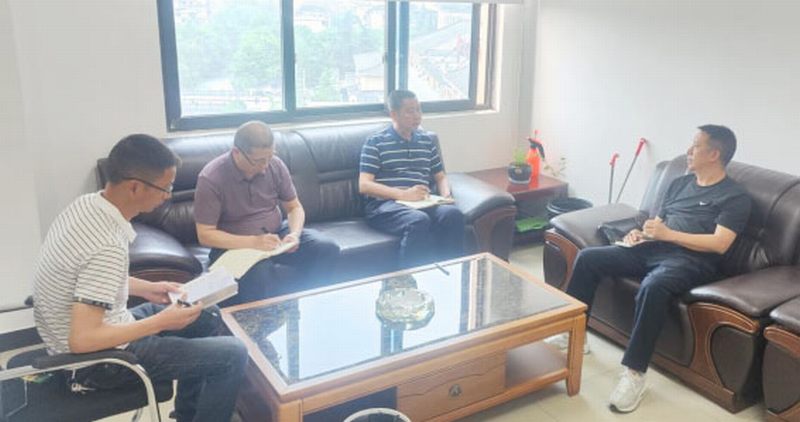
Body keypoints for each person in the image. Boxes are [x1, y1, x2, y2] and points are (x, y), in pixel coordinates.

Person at [33, 134, 248, 422]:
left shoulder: (87, 206)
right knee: (233, 354)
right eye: (165, 187)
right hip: (96, 363)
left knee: (206, 314)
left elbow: (85, 278)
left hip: (101, 329)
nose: (168, 196)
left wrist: (147, 288)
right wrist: (161, 322)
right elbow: (82, 340)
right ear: (135, 187)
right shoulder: (107, 244)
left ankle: (187, 415)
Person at [559, 125, 751, 413]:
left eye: (696, 146)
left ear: (714, 154)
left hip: (691, 261)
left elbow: (720, 243)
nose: (688, 151)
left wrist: (668, 235)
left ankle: (635, 374)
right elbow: (656, 224)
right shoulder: (679, 184)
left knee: (654, 286)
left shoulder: (734, 197)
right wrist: (640, 233)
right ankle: (574, 334)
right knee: (588, 258)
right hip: (653, 248)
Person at [194, 121, 340, 303]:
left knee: (326, 248)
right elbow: (205, 235)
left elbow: (294, 207)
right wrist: (253, 242)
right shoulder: (211, 178)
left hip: (275, 235)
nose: (265, 166)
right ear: (236, 152)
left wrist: (294, 235)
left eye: (269, 157)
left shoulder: (275, 165)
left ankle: (310, 303)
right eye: (258, 161)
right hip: (234, 246)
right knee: (260, 275)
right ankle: (261, 320)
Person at [359, 90, 465, 269]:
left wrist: (446, 196)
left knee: (452, 214)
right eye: (410, 111)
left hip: (422, 202)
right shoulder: (376, 142)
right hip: (385, 205)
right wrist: (403, 195)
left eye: (418, 109)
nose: (417, 116)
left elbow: (440, 176)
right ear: (394, 114)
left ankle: (453, 272)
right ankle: (408, 279)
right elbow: (364, 185)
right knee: (418, 220)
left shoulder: (426, 141)